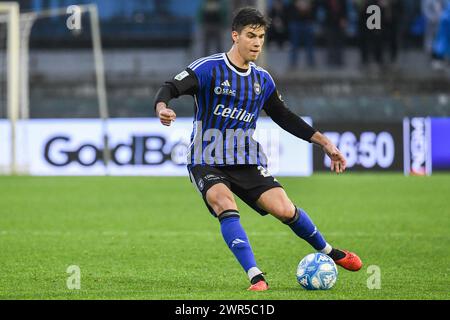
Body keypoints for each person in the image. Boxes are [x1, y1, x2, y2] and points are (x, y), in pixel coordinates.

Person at [153, 7, 362, 292]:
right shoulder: (209, 67)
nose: (256, 42)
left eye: (261, 37)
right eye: (251, 36)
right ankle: (256, 276)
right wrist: (162, 107)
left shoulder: (262, 80)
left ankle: (329, 252)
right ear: (235, 36)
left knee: (286, 209)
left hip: (245, 158)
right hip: (206, 158)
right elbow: (169, 88)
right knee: (225, 204)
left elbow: (284, 116)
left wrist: (325, 143)